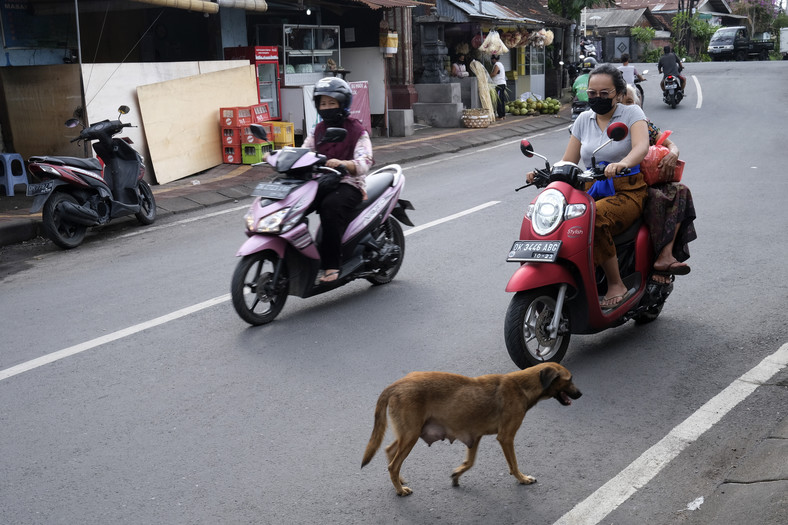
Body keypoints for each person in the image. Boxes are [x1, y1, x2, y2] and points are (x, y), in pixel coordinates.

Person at [528, 63, 649, 309]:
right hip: (591, 189)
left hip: (626, 190)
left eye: (604, 94)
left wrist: (622, 163)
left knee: (596, 219)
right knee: (558, 220)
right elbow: (569, 160)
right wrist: (543, 173)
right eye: (592, 93)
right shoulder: (584, 119)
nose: (597, 98)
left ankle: (617, 284)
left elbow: (641, 147)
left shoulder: (631, 114)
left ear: (617, 93)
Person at [619, 85, 697, 284]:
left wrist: (673, 153)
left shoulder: (642, 124)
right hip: (611, 183)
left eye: (630, 103)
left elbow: (670, 143)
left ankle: (665, 255)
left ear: (638, 106)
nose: (625, 107)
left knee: (678, 193)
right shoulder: (603, 123)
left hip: (643, 181)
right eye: (621, 102)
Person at [301, 77, 374, 283]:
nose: (327, 108)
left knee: (329, 208)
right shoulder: (318, 130)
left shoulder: (356, 129)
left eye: (332, 103)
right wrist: (279, 157)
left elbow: (365, 161)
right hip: (323, 182)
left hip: (349, 183)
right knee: (294, 206)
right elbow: (305, 152)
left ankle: (332, 264)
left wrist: (345, 164)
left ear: (343, 104)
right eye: (323, 104)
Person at [490, 54, 507, 120]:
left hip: (499, 85)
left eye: (492, 59)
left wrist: (487, 76)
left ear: (494, 59)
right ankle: (503, 115)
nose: (491, 61)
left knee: (499, 100)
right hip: (502, 84)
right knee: (502, 100)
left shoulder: (497, 64)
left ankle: (500, 116)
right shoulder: (500, 64)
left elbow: (494, 73)